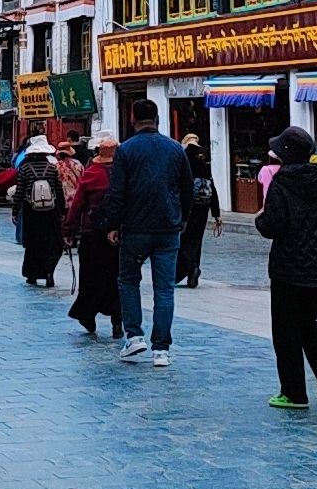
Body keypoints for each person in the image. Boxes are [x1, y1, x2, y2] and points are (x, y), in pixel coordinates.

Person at [254, 126, 317, 407]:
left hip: (289, 267)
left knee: (285, 331)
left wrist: (260, 219)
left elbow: (274, 225)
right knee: (308, 324)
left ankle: (293, 392)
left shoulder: (282, 182)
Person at [103, 98, 194, 364]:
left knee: (128, 281)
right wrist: (183, 218)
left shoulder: (126, 150)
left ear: (133, 120)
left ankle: (134, 337)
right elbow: (187, 188)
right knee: (164, 289)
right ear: (157, 120)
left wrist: (111, 224)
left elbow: (117, 192)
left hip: (135, 228)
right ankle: (161, 349)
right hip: (168, 227)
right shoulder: (175, 149)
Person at [65, 138, 122, 338]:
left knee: (90, 277)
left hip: (92, 234)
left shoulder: (91, 174)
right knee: (116, 277)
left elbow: (77, 204)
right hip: (118, 234)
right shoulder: (124, 175)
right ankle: (117, 322)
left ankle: (88, 314)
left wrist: (69, 230)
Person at [11, 132, 66, 287]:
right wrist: (61, 211)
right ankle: (49, 272)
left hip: (31, 210)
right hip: (50, 211)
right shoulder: (52, 168)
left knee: (33, 243)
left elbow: (20, 192)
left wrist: (15, 212)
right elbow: (58, 190)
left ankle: (32, 274)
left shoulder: (25, 169)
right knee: (50, 242)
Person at [176, 134, 221, 287]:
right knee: (196, 239)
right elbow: (212, 186)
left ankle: (187, 268)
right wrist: (216, 213)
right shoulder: (202, 158)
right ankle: (194, 266)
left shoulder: (183, 156)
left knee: (183, 239)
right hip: (202, 207)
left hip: (187, 206)